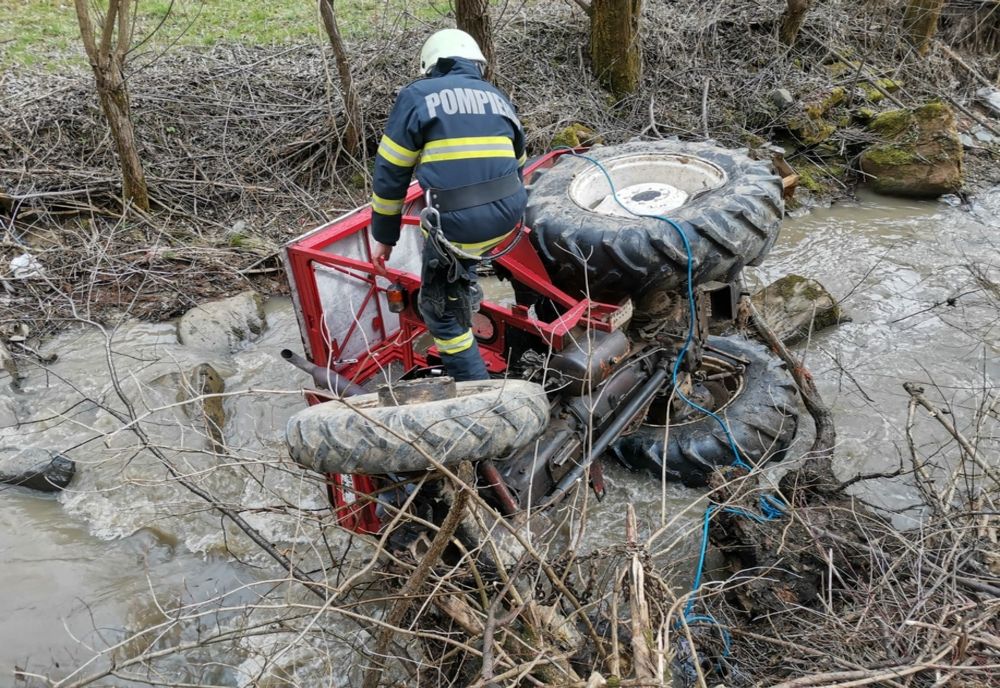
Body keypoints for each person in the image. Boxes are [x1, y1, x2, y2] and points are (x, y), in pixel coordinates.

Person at [369, 28, 527, 382]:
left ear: (432, 65)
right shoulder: (497, 96)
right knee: (463, 265)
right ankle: (466, 285)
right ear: (475, 64)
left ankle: (477, 388)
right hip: (509, 215)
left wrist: (385, 236)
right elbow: (519, 163)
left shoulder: (417, 96)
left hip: (459, 223)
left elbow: (391, 171)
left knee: (438, 311)